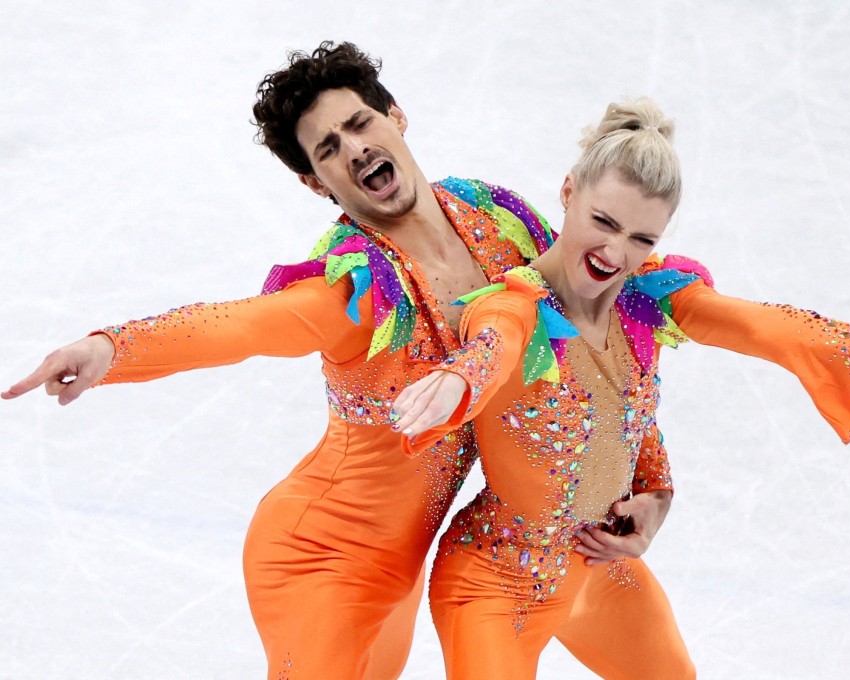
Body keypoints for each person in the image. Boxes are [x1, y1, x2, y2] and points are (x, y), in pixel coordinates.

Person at [0, 43, 671, 679]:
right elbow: (238, 328)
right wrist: (110, 347)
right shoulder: (355, 290)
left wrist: (650, 483)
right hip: (319, 559)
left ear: (396, 117)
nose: (354, 148)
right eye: (329, 148)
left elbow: (596, 350)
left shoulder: (501, 222)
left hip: (403, 570)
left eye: (359, 123)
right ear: (313, 180)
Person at [390, 98, 850, 679]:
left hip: (600, 566)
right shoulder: (513, 305)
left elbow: (754, 328)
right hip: (494, 581)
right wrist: (457, 378)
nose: (614, 253)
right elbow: (490, 346)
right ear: (568, 192)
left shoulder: (646, 301)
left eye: (642, 239)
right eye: (603, 222)